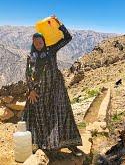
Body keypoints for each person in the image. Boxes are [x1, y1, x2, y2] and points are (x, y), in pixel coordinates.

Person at [23, 16, 83, 155]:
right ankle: (41, 145)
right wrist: (31, 90)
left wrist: (59, 24)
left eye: (40, 41)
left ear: (44, 41)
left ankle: (71, 144)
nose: (38, 43)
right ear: (33, 43)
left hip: (56, 89)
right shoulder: (31, 56)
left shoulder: (51, 50)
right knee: (38, 116)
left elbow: (68, 38)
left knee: (62, 114)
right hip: (39, 91)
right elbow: (28, 74)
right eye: (36, 42)